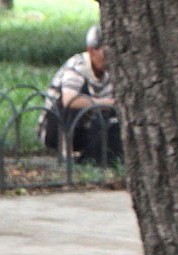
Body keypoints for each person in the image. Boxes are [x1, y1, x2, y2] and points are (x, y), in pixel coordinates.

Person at [40, 24, 121, 164]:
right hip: (57, 129)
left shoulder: (112, 70)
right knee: (72, 102)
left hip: (89, 126)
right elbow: (69, 100)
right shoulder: (78, 65)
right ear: (92, 51)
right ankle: (66, 152)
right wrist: (103, 103)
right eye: (105, 53)